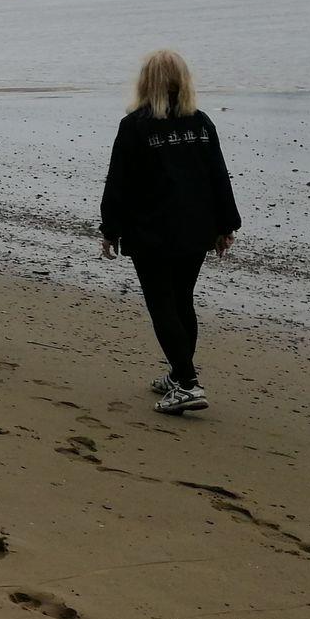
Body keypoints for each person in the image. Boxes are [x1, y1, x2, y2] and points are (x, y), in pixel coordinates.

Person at [98, 48, 241, 415]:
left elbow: (118, 183)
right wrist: (225, 224)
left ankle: (188, 383)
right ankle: (179, 374)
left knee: (163, 303)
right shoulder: (201, 123)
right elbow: (218, 177)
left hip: (152, 231)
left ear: (146, 81)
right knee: (181, 301)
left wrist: (110, 229)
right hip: (196, 227)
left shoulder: (135, 126)